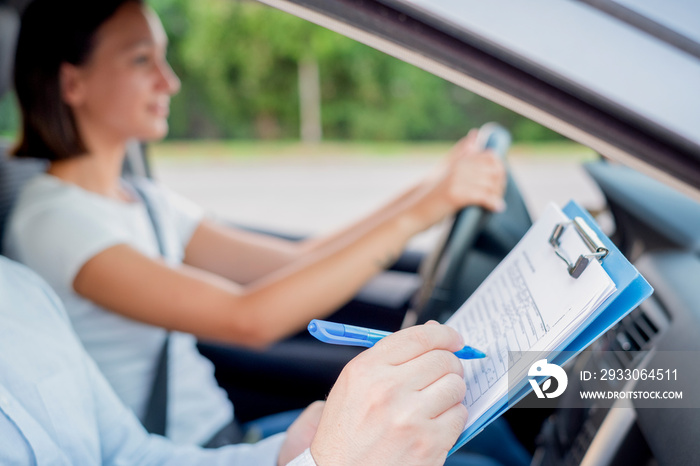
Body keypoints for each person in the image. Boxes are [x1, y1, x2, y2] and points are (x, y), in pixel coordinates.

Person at [4, 0, 506, 448]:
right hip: (189, 451)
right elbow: (249, 319)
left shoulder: (144, 200)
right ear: (72, 83)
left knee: (476, 435)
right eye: (142, 60)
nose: (169, 81)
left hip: (228, 436)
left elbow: (297, 261)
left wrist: (429, 192)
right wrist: (424, 209)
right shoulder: (53, 221)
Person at [0, 255, 470, 465]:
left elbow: (131, 457)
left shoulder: (17, 288)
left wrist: (279, 457)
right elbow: (248, 318)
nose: (170, 81)